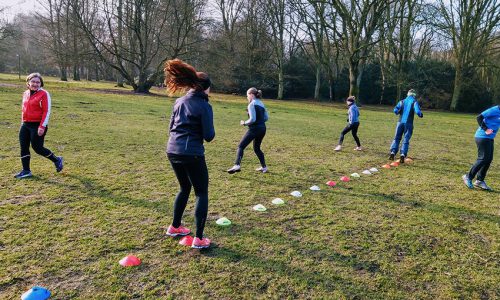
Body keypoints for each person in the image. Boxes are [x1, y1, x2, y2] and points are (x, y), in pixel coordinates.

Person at [164, 59, 215, 249]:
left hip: (172, 150)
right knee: (201, 192)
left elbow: (171, 127)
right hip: (191, 152)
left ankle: (175, 227)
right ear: (206, 89)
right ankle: (199, 239)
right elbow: (209, 136)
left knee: (184, 188)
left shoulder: (179, 101)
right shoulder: (204, 106)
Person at [14, 73, 63, 179]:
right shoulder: (25, 93)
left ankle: (57, 160)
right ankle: (26, 170)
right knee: (23, 147)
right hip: (25, 124)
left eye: (38, 82)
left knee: (38, 148)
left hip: (37, 125)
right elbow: (24, 109)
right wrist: (23, 122)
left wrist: (42, 126)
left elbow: (46, 111)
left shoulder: (44, 94)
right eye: (33, 81)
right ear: (28, 82)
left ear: (41, 83)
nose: (35, 84)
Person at [227, 88, 269, 174]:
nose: (247, 97)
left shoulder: (251, 104)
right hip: (263, 129)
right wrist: (260, 122)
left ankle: (237, 165)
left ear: (251, 95)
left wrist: (244, 123)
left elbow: (252, 119)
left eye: (247, 95)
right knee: (257, 148)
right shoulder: (261, 103)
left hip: (254, 129)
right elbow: (266, 118)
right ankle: (264, 167)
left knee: (241, 146)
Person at [462, 105, 500, 191]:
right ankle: (468, 176)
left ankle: (479, 180)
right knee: (483, 158)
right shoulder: (494, 110)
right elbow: (479, 117)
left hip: (490, 138)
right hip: (482, 137)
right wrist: (486, 129)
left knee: (488, 159)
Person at [388, 89, 423, 163]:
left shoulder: (402, 101)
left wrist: (398, 111)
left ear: (408, 94)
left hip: (400, 123)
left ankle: (393, 152)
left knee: (396, 138)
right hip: (409, 124)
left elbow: (395, 110)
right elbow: (418, 111)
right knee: (406, 139)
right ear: (414, 95)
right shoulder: (414, 102)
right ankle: (403, 154)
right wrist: (420, 114)